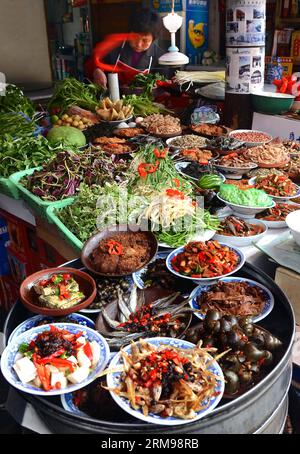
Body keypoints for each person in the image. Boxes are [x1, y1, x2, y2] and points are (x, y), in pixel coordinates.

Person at [85, 9, 165, 87]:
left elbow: (163, 84)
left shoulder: (160, 57)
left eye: (145, 40)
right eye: (135, 38)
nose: (139, 44)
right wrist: (97, 70)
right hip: (112, 98)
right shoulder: (114, 46)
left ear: (153, 39)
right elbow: (91, 62)